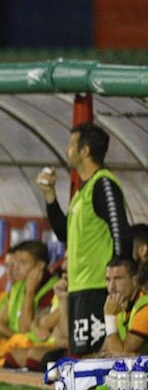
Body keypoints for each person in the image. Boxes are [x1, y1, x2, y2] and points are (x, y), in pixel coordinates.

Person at [37, 123, 131, 355]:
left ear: (85, 151)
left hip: (99, 287)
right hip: (81, 287)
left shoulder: (103, 185)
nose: (66, 150)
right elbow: (65, 234)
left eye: (71, 145)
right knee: (84, 356)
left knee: (98, 358)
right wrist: (50, 196)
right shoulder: (82, 192)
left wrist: (116, 284)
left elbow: (121, 232)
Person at [100, 258, 148, 356]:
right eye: (108, 280)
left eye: (118, 279)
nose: (111, 287)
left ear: (135, 280)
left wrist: (109, 318)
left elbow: (120, 358)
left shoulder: (145, 308)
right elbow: (103, 352)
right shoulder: (119, 308)